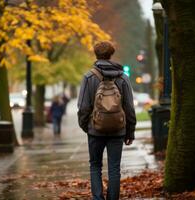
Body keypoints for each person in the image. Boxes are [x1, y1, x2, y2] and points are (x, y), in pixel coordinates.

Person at [77, 41, 136, 200]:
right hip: (118, 130)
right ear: (111, 54)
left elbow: (83, 107)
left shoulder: (89, 77)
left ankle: (97, 198)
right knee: (114, 168)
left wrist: (86, 126)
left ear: (96, 55)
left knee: (95, 165)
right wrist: (130, 131)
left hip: (95, 129)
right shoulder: (123, 77)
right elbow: (129, 107)